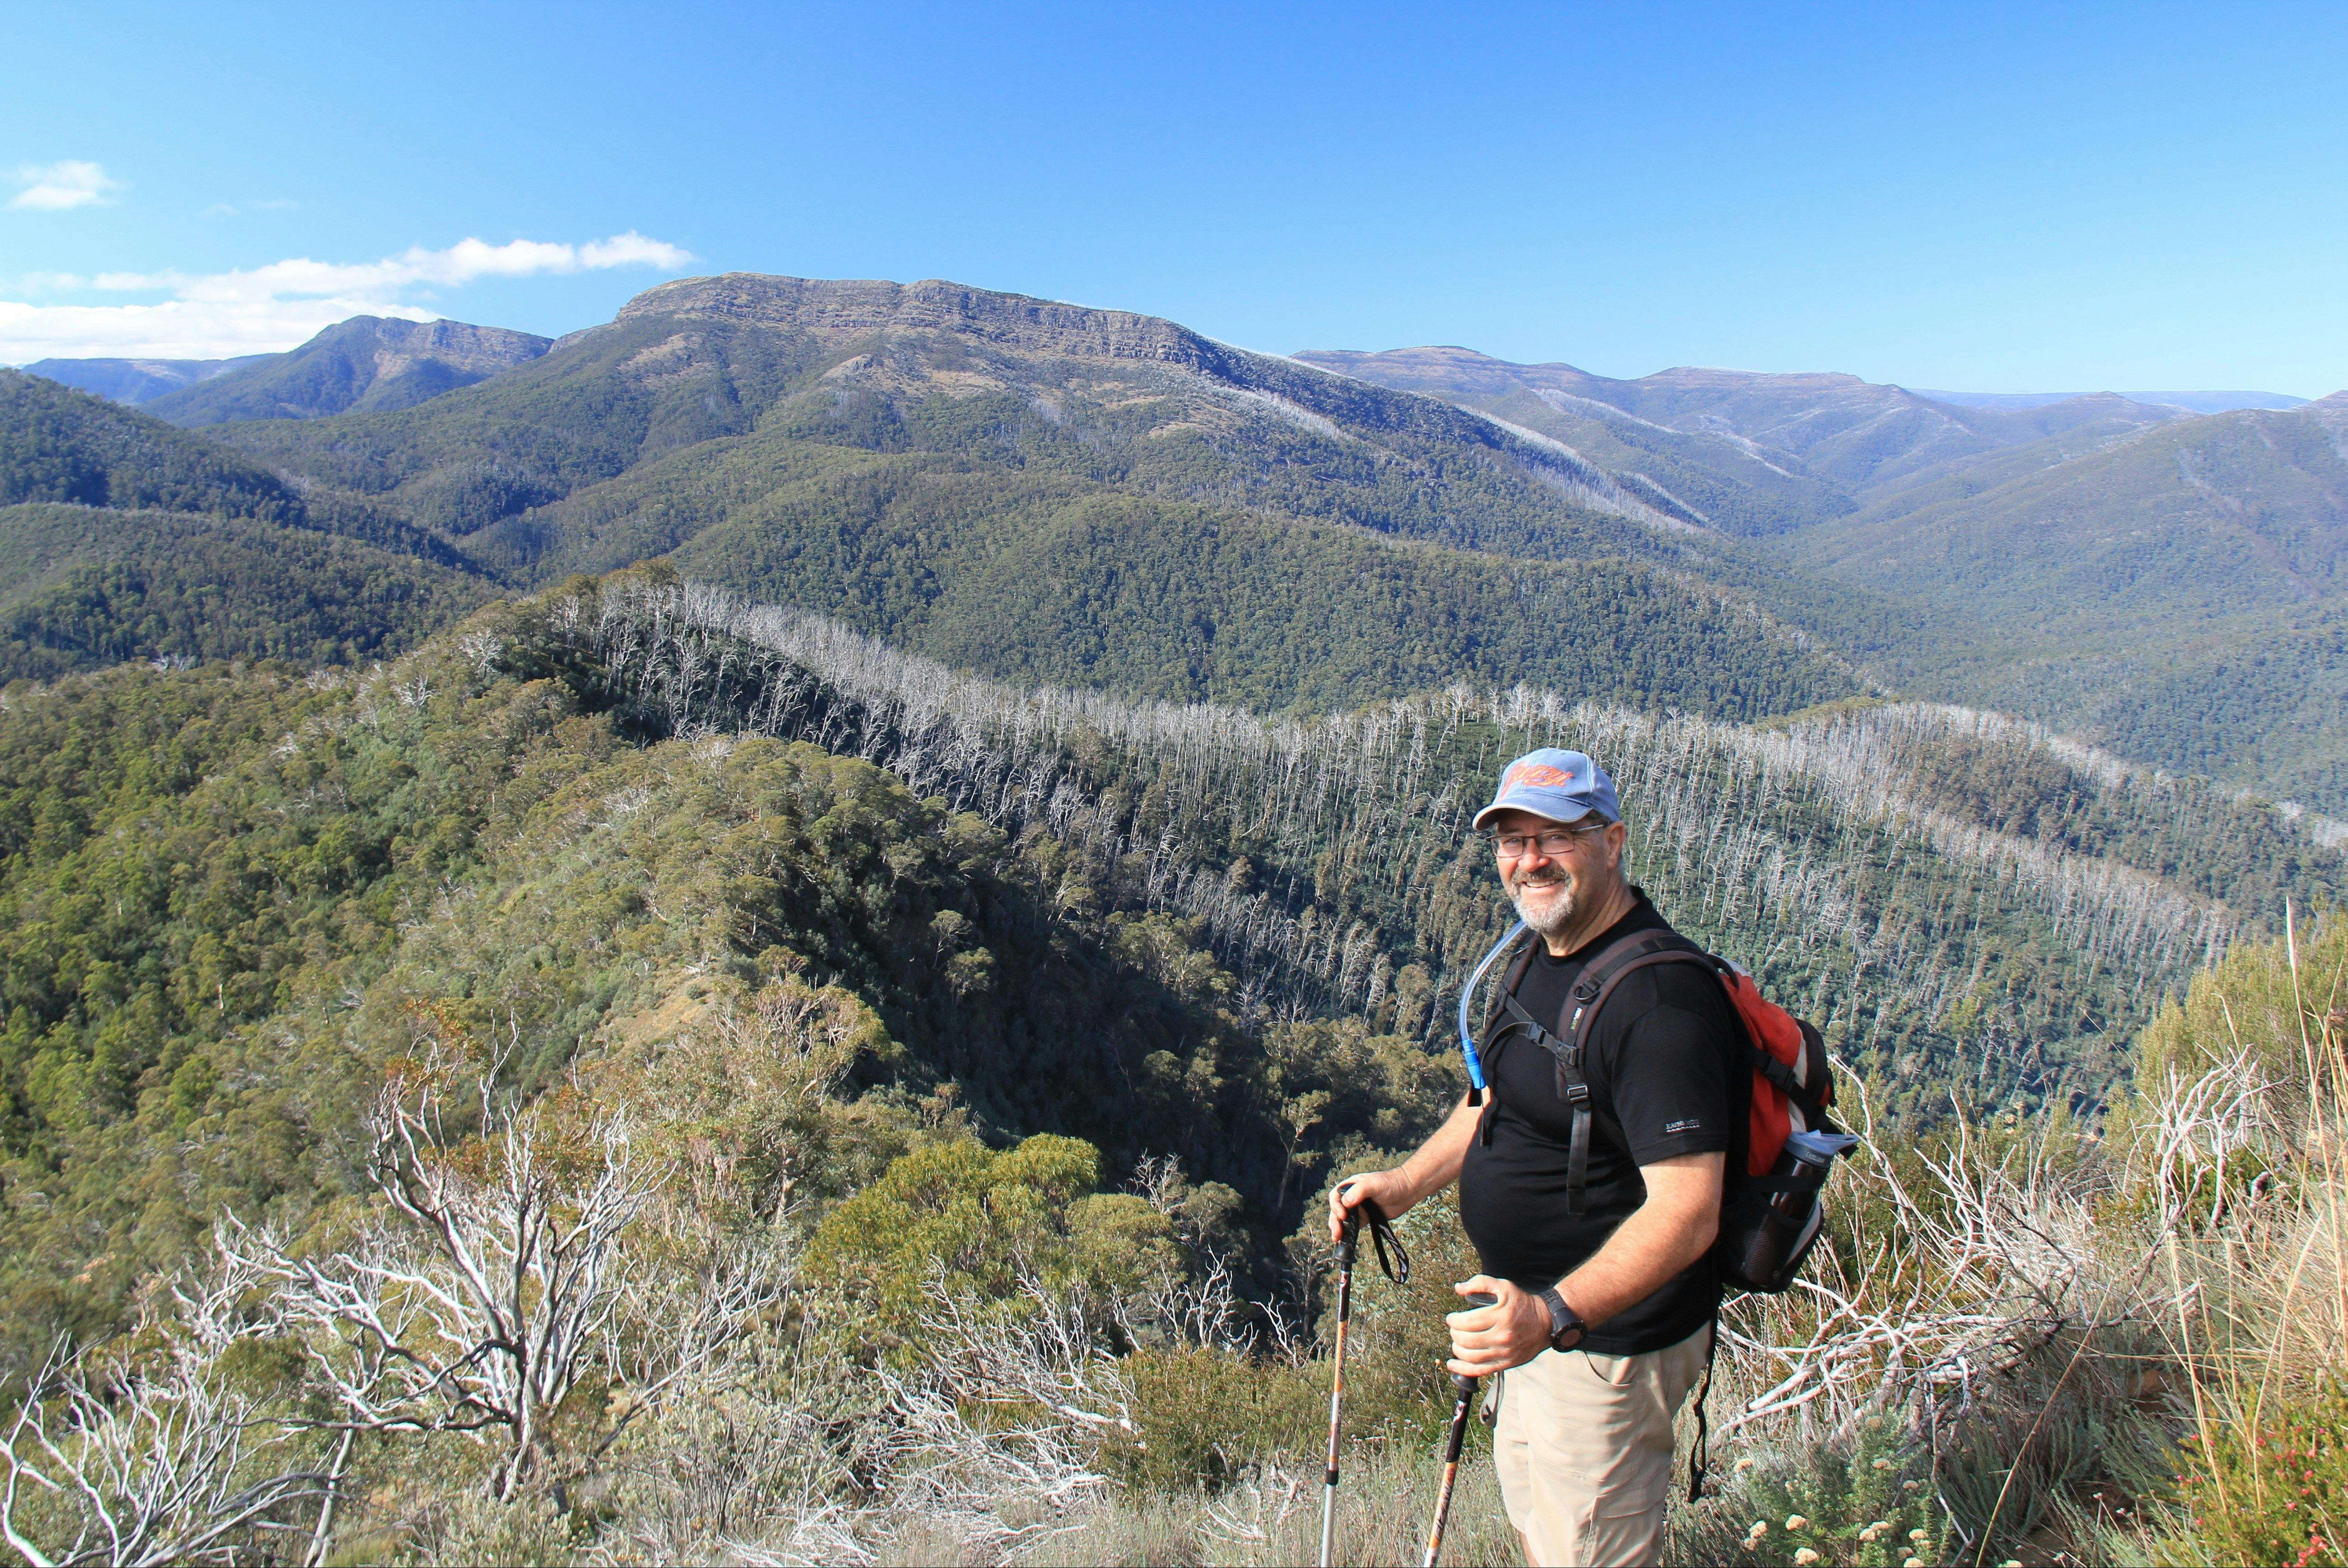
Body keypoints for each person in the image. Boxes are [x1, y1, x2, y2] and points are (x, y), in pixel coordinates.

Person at [1329, 747, 1739, 1567]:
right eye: (1512, 840)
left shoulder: (1661, 1007)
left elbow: (1689, 1214)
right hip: (1538, 1335)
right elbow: (1493, 1099)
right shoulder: (1538, 949)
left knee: (1586, 1551)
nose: (1529, 860)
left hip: (1608, 1349)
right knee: (1544, 1529)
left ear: (1613, 841)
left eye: (1557, 836)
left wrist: (1552, 1313)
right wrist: (1405, 1184)